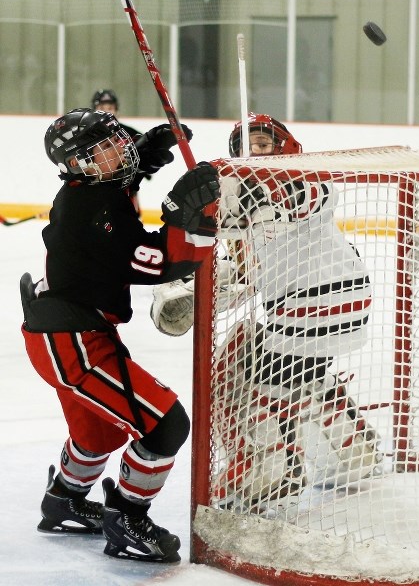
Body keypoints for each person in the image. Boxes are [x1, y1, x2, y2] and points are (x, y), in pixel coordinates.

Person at [150, 113, 382, 511]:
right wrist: (191, 292)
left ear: (285, 145)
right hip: (315, 310)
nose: (254, 151)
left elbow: (301, 198)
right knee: (280, 367)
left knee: (243, 383)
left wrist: (245, 196)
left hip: (317, 302)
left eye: (261, 143)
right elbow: (245, 277)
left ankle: (271, 471)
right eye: (245, 146)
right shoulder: (243, 210)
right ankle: (352, 451)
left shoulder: (305, 176)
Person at [20, 107, 219, 562]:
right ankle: (127, 517)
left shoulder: (95, 189)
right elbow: (160, 262)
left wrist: (145, 159)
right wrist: (184, 219)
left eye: (117, 141)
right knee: (165, 424)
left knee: (97, 434)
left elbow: (116, 195)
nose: (119, 149)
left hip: (68, 331)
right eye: (104, 148)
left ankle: (63, 501)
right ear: (80, 165)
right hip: (71, 341)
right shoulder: (90, 209)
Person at [91, 88, 193, 215]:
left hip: (126, 196)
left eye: (110, 107)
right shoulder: (87, 137)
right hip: (98, 199)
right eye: (102, 107)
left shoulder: (128, 133)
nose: (106, 111)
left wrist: (144, 166)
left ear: (116, 109)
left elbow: (144, 162)